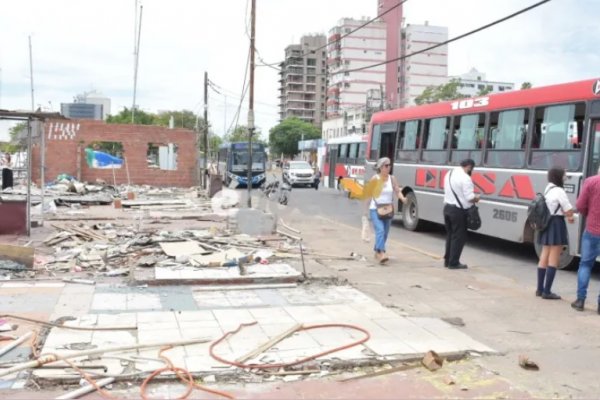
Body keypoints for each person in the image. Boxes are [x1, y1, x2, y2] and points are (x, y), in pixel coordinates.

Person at [536, 167, 575, 300]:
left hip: (546, 223)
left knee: (544, 255)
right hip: (556, 223)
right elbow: (568, 209)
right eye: (564, 175)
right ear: (559, 176)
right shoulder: (559, 191)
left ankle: (539, 289)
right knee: (554, 258)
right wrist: (570, 216)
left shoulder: (548, 188)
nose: (565, 176)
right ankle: (547, 291)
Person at [367, 157, 407, 264]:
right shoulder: (375, 179)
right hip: (375, 209)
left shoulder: (392, 178)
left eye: (390, 165)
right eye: (386, 165)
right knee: (380, 230)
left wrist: (403, 198)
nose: (389, 167)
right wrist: (364, 212)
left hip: (388, 210)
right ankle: (381, 252)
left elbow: (397, 191)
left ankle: (377, 251)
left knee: (385, 233)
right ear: (380, 167)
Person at [571, 166, 600, 312]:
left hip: (592, 231)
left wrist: (587, 214)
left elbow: (580, 205)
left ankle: (580, 300)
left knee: (585, 265)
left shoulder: (591, 181)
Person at [443, 159, 480, 269]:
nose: (471, 171)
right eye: (471, 169)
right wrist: (477, 198)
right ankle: (453, 263)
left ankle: (447, 261)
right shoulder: (466, 178)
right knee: (459, 237)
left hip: (447, 208)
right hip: (458, 212)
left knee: (450, 235)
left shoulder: (450, 173)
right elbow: (469, 198)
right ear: (468, 167)